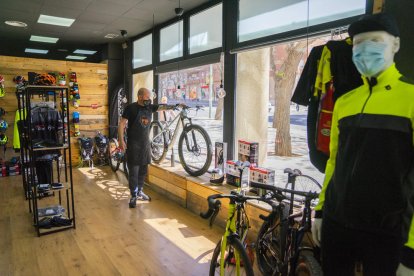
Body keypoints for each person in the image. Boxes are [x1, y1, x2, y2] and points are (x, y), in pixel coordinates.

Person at [311, 13, 414, 275]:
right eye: (358, 43)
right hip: (337, 223)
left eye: (375, 40)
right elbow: (334, 161)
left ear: (396, 45)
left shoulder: (410, 99)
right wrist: (322, 211)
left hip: (386, 231)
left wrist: (412, 248)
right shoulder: (345, 102)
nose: (365, 49)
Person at [118, 88, 181, 208]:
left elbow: (162, 107)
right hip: (133, 144)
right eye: (147, 97)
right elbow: (121, 124)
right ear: (140, 97)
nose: (149, 99)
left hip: (145, 144)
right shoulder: (131, 108)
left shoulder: (150, 107)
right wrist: (121, 141)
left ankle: (140, 191)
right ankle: (133, 195)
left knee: (143, 171)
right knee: (134, 172)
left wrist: (176, 106)